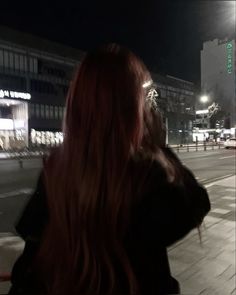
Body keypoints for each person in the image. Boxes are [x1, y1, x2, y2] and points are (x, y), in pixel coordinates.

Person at [9, 44, 210, 295]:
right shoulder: (148, 177)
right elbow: (196, 203)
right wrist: (159, 148)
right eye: (142, 98)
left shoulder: (56, 172)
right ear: (131, 110)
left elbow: (31, 254)